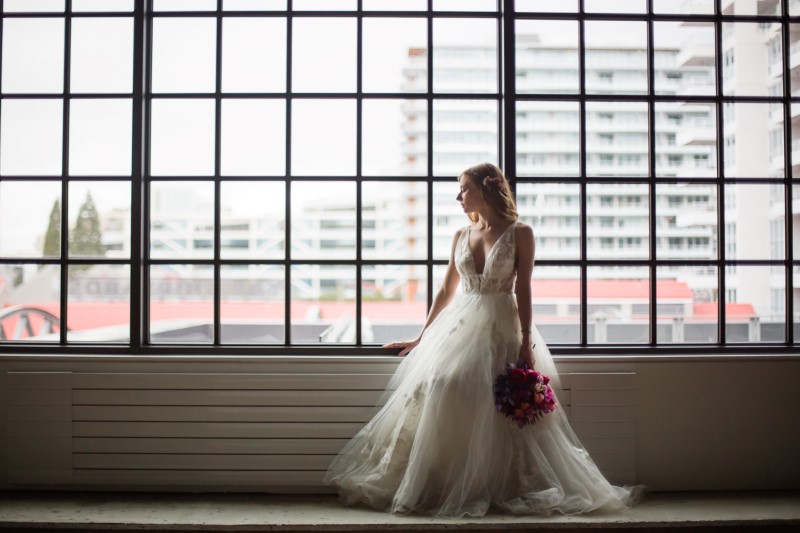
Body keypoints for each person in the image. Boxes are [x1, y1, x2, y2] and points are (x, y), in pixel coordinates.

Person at [323, 163, 645, 518]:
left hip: (502, 326)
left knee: (500, 406)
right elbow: (447, 289)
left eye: (464, 188)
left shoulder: (521, 232)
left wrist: (525, 344)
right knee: (443, 386)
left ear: (486, 189)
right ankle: (446, 481)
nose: (458, 196)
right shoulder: (462, 235)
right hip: (460, 323)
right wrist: (421, 337)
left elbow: (523, 289)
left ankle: (499, 484)